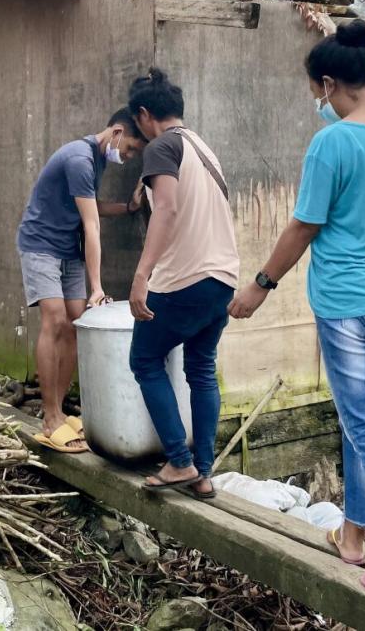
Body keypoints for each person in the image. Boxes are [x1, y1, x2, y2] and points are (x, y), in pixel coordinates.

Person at [228, 19, 365, 604]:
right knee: (361, 420)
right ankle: (353, 534)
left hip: (350, 309)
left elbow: (304, 224)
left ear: (329, 83)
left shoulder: (332, 143)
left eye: (315, 92)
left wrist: (260, 284)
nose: (315, 103)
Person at [127, 68, 239, 501]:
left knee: (145, 360)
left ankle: (178, 459)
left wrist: (142, 275)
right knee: (201, 369)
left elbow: (168, 210)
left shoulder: (160, 146)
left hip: (183, 278)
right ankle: (203, 473)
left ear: (143, 114)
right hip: (222, 278)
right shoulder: (201, 146)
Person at [17, 110, 148, 453]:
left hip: (67, 247)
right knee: (55, 320)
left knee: (77, 323)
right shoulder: (79, 158)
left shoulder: (96, 158)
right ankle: (49, 419)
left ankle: (58, 411)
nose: (129, 156)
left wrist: (126, 208)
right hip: (41, 246)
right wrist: (98, 287)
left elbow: (90, 207)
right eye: (131, 148)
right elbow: (91, 226)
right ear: (117, 131)